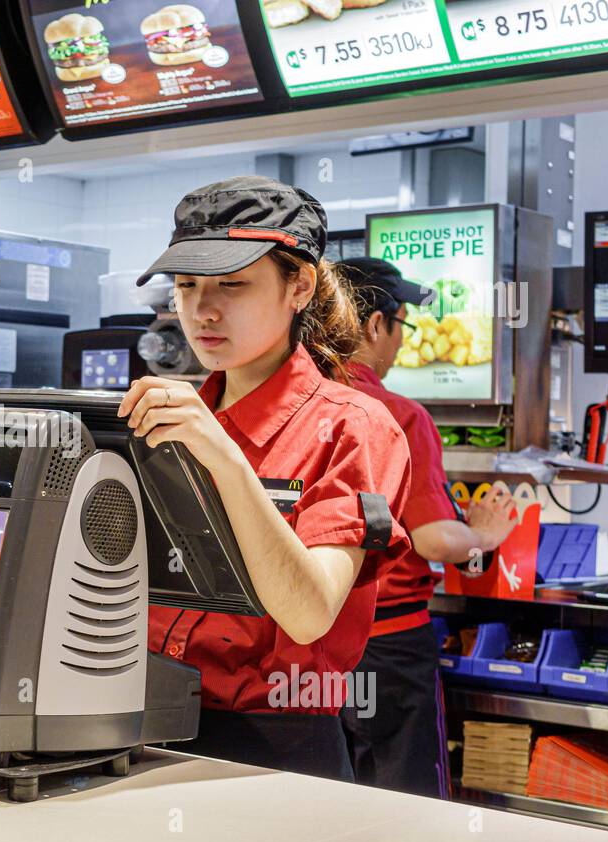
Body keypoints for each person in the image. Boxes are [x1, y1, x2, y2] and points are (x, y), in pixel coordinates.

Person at [121, 177, 413, 781]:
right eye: (186, 287)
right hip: (139, 727)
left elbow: (308, 613)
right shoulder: (163, 420)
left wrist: (225, 461)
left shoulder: (354, 428)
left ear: (298, 286)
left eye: (232, 284)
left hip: (275, 748)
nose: (202, 310)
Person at [336, 257, 517, 797]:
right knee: (406, 809)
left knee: (326, 802)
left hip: (308, 650)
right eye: (402, 325)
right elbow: (434, 538)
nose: (398, 344)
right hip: (388, 647)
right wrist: (484, 535)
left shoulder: (293, 403)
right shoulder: (397, 414)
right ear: (374, 326)